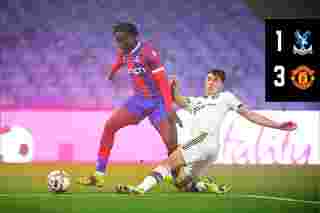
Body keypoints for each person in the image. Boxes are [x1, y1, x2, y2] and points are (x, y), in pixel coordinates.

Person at [115, 69, 297, 194]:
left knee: (167, 163)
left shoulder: (226, 97)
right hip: (212, 151)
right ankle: (205, 185)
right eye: (208, 79)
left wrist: (278, 125)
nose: (211, 82)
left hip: (202, 142)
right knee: (181, 183)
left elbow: (249, 115)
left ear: (221, 84)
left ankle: (140, 189)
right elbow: (178, 99)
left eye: (215, 80)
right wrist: (172, 87)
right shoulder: (198, 102)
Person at [78, 22, 180, 187]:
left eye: (122, 40)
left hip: (157, 103)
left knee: (171, 143)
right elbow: (120, 60)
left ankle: (178, 177)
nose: (119, 44)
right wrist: (112, 72)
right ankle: (98, 174)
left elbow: (162, 82)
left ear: (133, 37)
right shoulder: (124, 51)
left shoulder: (149, 53)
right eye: (117, 40)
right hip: (138, 102)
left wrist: (169, 109)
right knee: (110, 126)